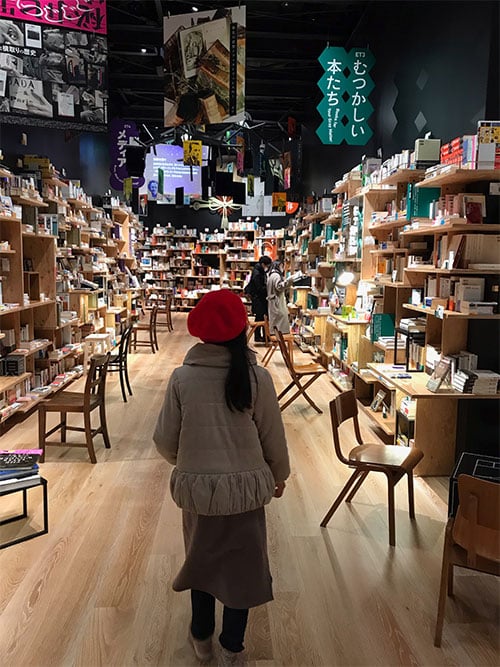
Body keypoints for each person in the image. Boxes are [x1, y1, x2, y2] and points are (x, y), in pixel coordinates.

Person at [153, 290, 290, 666]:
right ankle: (232, 645)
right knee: (242, 569)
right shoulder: (257, 377)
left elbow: (164, 440)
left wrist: (189, 464)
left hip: (199, 493)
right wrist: (278, 474)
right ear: (242, 331)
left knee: (201, 562)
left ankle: (201, 637)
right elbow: (272, 436)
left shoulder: (182, 379)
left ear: (199, 332)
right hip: (246, 493)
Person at [266, 261, 303, 334]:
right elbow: (279, 287)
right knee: (280, 321)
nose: (282, 268)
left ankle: (276, 335)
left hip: (273, 302)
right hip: (277, 302)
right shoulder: (276, 275)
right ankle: (280, 336)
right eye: (281, 266)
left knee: (275, 321)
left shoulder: (271, 275)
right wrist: (289, 280)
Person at [244, 255, 272, 342]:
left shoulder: (258, 270)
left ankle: (263, 336)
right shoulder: (257, 273)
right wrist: (268, 289)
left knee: (261, 317)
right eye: (267, 265)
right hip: (258, 299)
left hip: (259, 298)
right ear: (263, 264)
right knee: (260, 317)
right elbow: (259, 288)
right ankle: (259, 336)